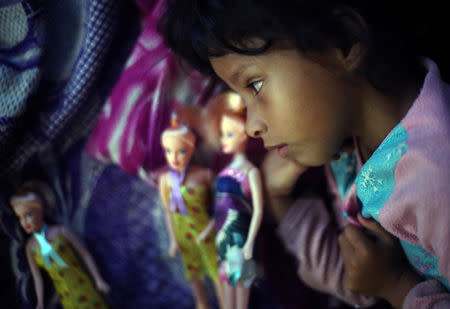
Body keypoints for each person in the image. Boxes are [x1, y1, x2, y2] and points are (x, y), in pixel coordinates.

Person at [159, 1, 450, 308]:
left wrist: (397, 287)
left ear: (343, 41)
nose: (252, 126)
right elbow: (361, 281)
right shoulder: (350, 143)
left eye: (254, 85)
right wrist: (278, 198)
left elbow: (381, 284)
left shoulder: (438, 177)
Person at [195, 92, 264, 309]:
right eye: (222, 135)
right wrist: (207, 232)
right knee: (227, 300)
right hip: (222, 240)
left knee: (241, 297)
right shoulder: (223, 171)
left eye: (229, 135)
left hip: (241, 239)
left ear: (244, 135)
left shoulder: (251, 172)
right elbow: (219, 211)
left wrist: (250, 242)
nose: (224, 140)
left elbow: (258, 211)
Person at [158, 114, 225, 309]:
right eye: (169, 152)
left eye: (181, 151)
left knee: (217, 276)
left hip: (205, 234)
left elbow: (219, 208)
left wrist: (210, 230)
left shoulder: (205, 175)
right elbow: (167, 211)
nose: (174, 157)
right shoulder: (165, 180)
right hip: (184, 238)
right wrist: (172, 240)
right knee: (195, 279)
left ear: (191, 149)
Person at [10, 181, 110, 309]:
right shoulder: (30, 247)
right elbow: (37, 277)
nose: (24, 222)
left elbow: (84, 254)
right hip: (65, 295)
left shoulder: (60, 232)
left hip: (82, 284)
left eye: (28, 215)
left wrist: (98, 279)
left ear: (40, 209)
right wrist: (40, 303)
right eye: (20, 217)